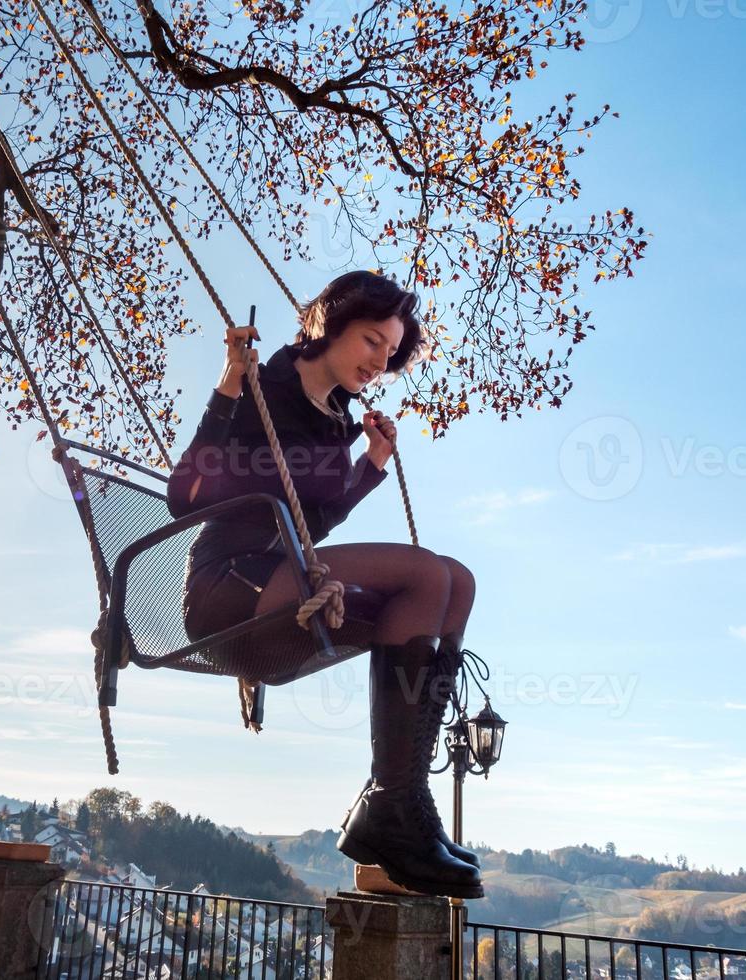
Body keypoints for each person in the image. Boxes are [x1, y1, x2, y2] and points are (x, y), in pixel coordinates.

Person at [165, 270, 483, 899]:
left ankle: (399, 801)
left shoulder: (337, 419)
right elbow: (184, 498)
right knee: (426, 573)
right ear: (331, 323)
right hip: (228, 593)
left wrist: (372, 464)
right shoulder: (266, 383)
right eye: (371, 340)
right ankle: (391, 806)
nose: (379, 361)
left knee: (456, 584)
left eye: (390, 353)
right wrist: (229, 383)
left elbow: (317, 521)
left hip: (284, 588)